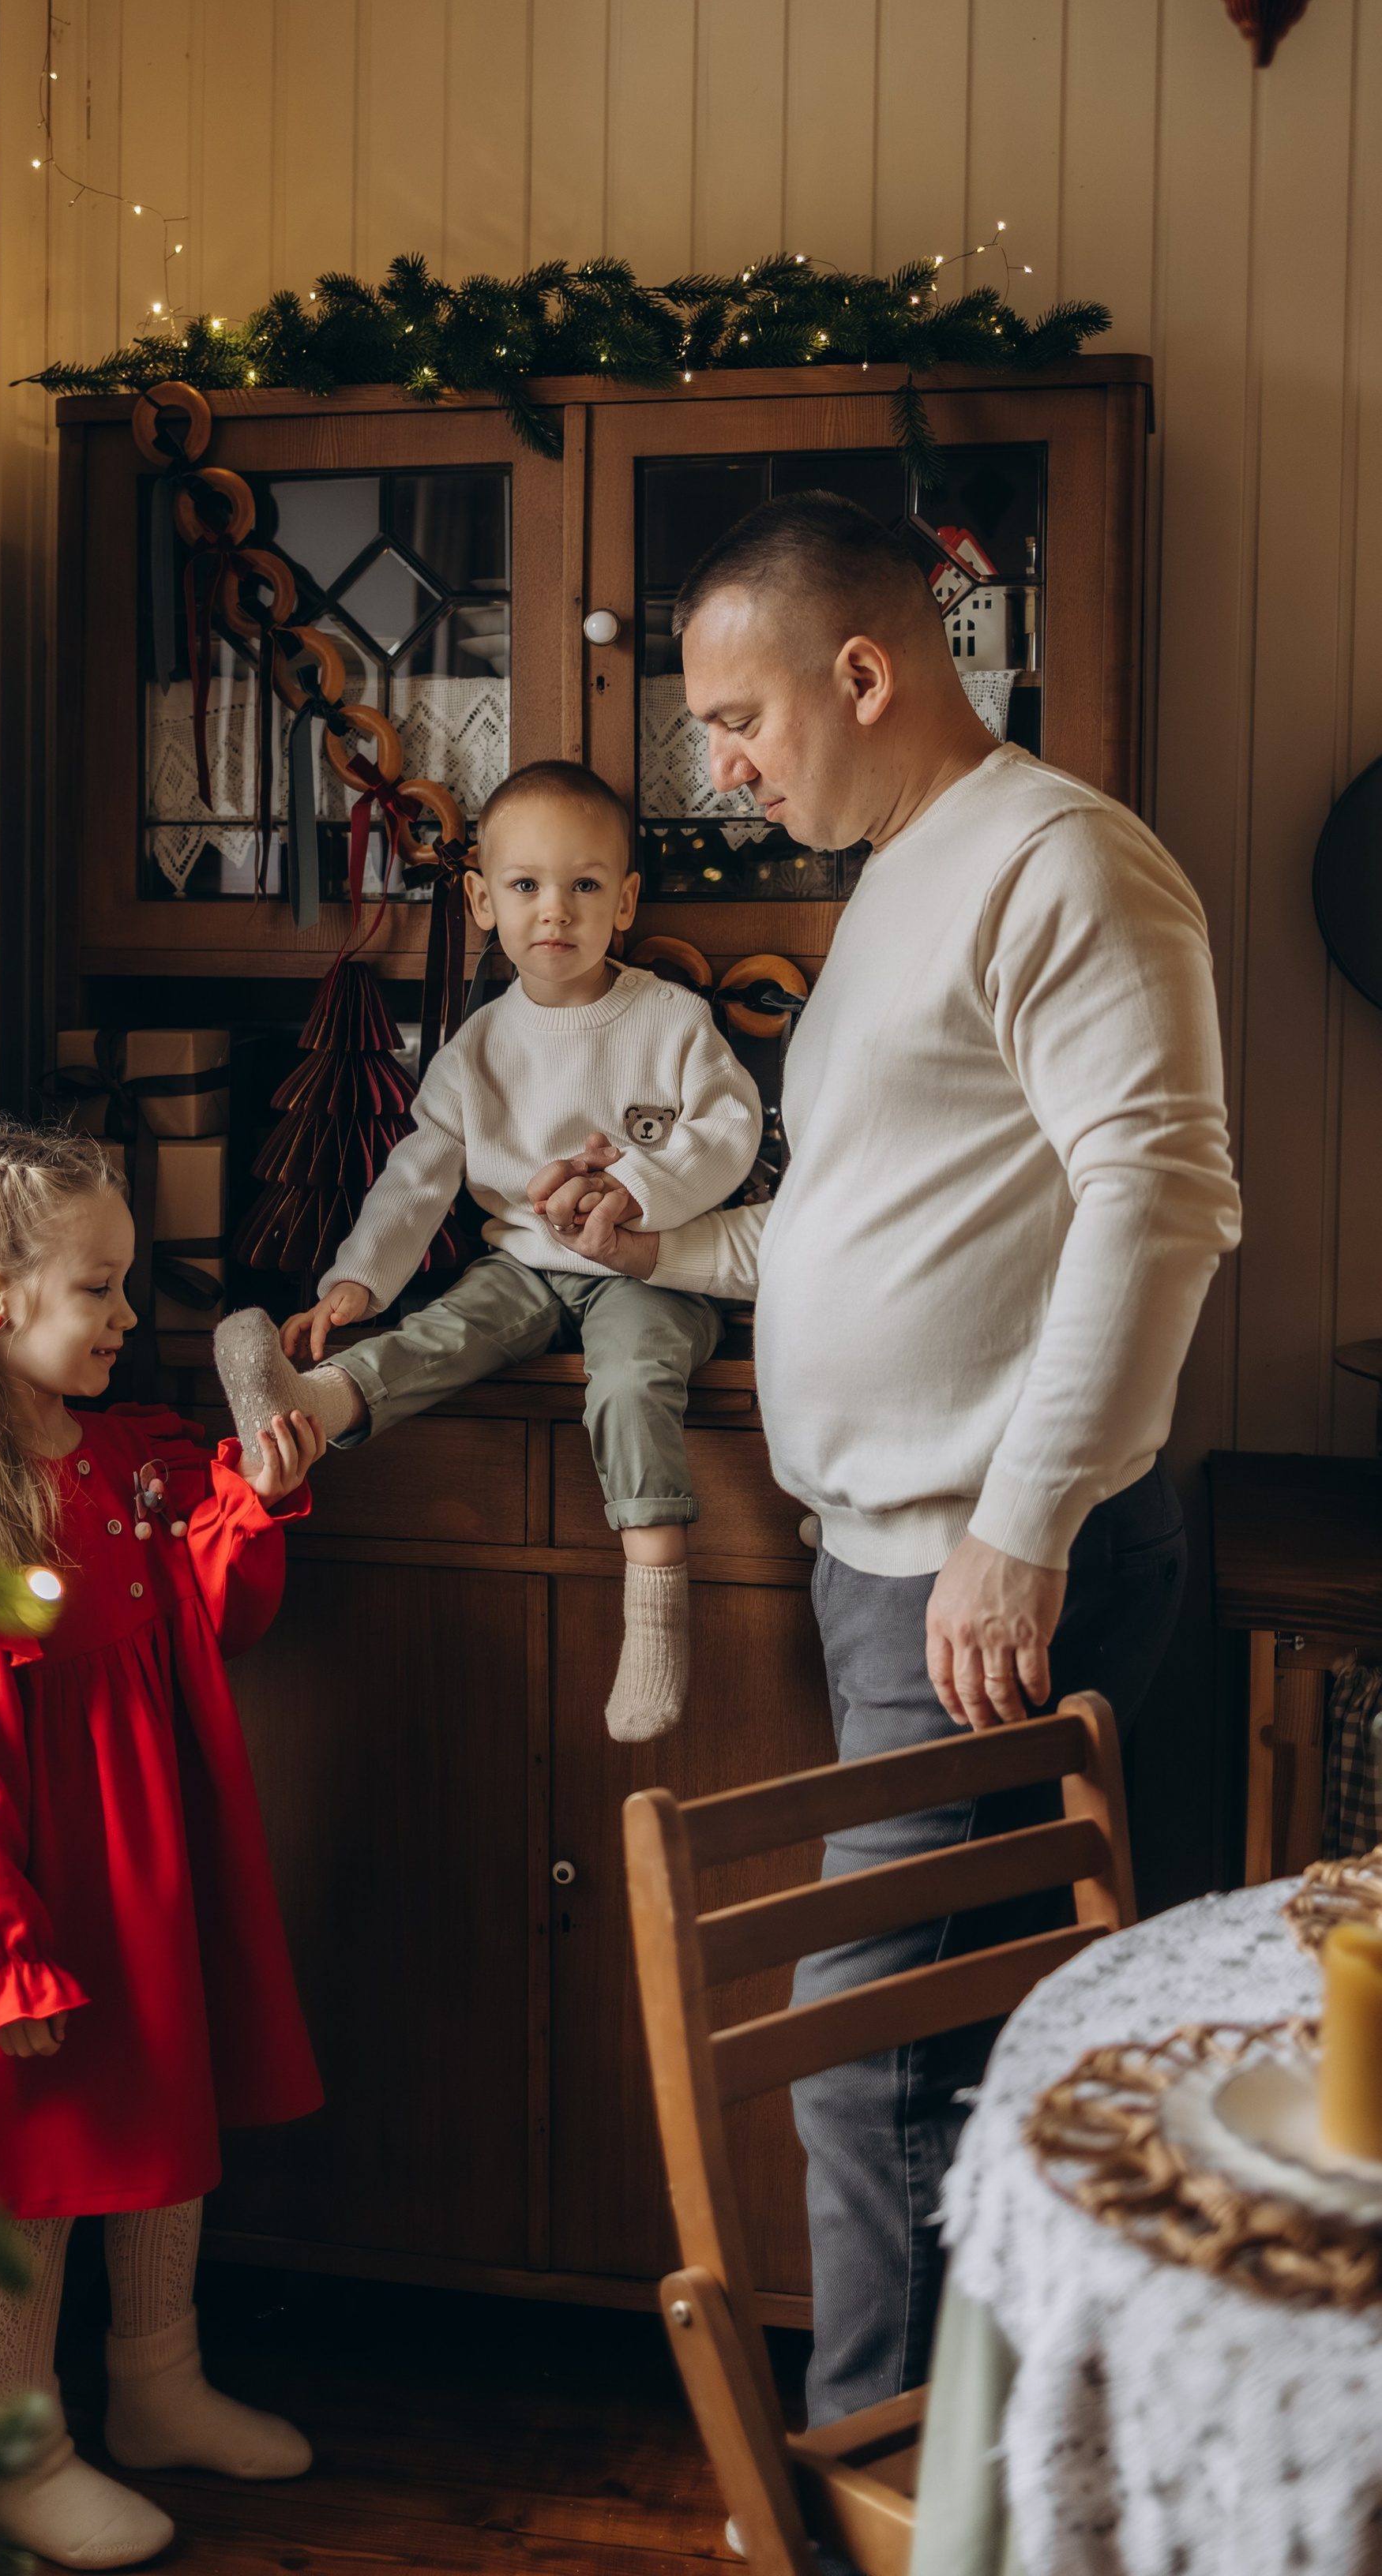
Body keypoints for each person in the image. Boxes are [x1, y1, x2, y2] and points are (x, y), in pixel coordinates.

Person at [528, 494, 1241, 2421]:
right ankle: (993, 2487)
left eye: (741, 718)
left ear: (866, 667)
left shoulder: (1060, 862)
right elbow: (832, 1226)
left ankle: (885, 2506)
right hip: (885, 1568)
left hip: (981, 1570)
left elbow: (1158, 1196)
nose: (722, 766)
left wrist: (1019, 1528)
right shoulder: (892, 882)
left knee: (870, 2052)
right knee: (952, 2050)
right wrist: (651, 1248)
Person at [0, 1113, 327, 2568]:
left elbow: (213, 1621)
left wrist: (261, 1501)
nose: (128, 1314)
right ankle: (14, 2441)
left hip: (152, 1863)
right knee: (34, 2173)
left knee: (163, 2134)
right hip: (34, 1893)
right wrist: (1, 1956)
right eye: (99, 1290)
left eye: (123, 1284)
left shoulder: (128, 1460)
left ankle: (159, 2382)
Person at [215, 759, 761, 1745]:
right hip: (523, 1266)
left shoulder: (670, 1020)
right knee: (450, 1327)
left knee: (630, 1380)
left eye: (585, 885)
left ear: (625, 900)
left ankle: (655, 1615)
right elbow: (416, 1179)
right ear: (479, 900)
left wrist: (635, 1190)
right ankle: (317, 1396)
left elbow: (727, 1131)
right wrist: (351, 1284)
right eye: (525, 886)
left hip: (649, 1271)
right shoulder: (476, 1048)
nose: (555, 909)